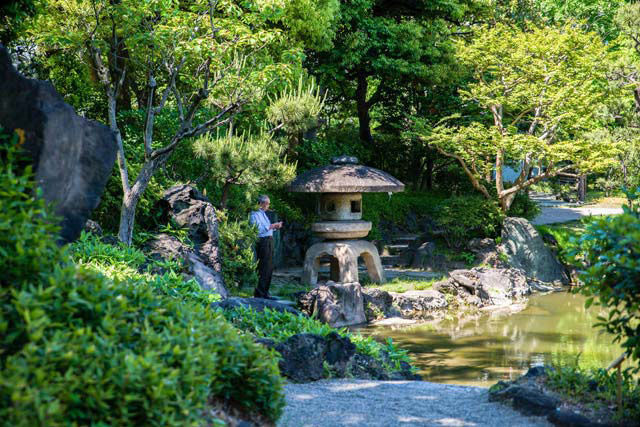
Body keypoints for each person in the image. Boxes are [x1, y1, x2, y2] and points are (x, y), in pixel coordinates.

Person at [249, 195, 283, 299]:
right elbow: (258, 229)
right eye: (267, 203)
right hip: (263, 242)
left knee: (269, 267)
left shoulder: (263, 214)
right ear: (261, 203)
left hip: (269, 240)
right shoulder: (254, 214)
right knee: (263, 267)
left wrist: (275, 226)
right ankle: (260, 293)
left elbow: (267, 228)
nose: (268, 205)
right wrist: (272, 226)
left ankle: (265, 292)